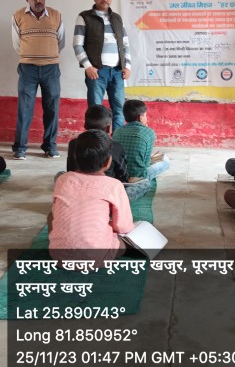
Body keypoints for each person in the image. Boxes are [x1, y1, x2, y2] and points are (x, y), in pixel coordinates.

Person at [49, 130, 137, 263]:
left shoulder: (63, 179)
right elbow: (123, 227)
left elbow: (56, 214)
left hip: (58, 256)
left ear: (75, 157)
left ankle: (62, 242)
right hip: (96, 257)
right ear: (108, 162)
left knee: (51, 215)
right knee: (125, 243)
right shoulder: (114, 185)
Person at [11, 0, 65, 160]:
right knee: (24, 108)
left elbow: (60, 42)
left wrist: (48, 55)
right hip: (28, 69)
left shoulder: (56, 15)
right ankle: (20, 148)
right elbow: (16, 43)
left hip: (51, 68)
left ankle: (50, 146)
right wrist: (30, 55)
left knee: (52, 108)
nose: (38, 0)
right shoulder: (18, 15)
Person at [64, 105, 151, 201]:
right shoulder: (115, 147)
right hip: (108, 196)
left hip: (78, 190)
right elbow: (123, 177)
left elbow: (70, 170)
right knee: (145, 184)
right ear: (109, 128)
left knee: (61, 175)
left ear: (85, 125)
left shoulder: (73, 144)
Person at [74, 0, 131, 131]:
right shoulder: (85, 17)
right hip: (97, 72)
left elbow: (125, 44)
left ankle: (116, 141)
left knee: (119, 109)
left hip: (117, 72)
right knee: (95, 110)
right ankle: (97, 141)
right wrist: (88, 66)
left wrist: (127, 66)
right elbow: (77, 45)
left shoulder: (117, 18)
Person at [112, 100, 170, 181]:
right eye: (146, 115)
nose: (146, 118)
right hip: (138, 177)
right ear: (141, 117)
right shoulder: (149, 132)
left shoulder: (117, 131)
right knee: (166, 161)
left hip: (119, 175)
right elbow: (146, 164)